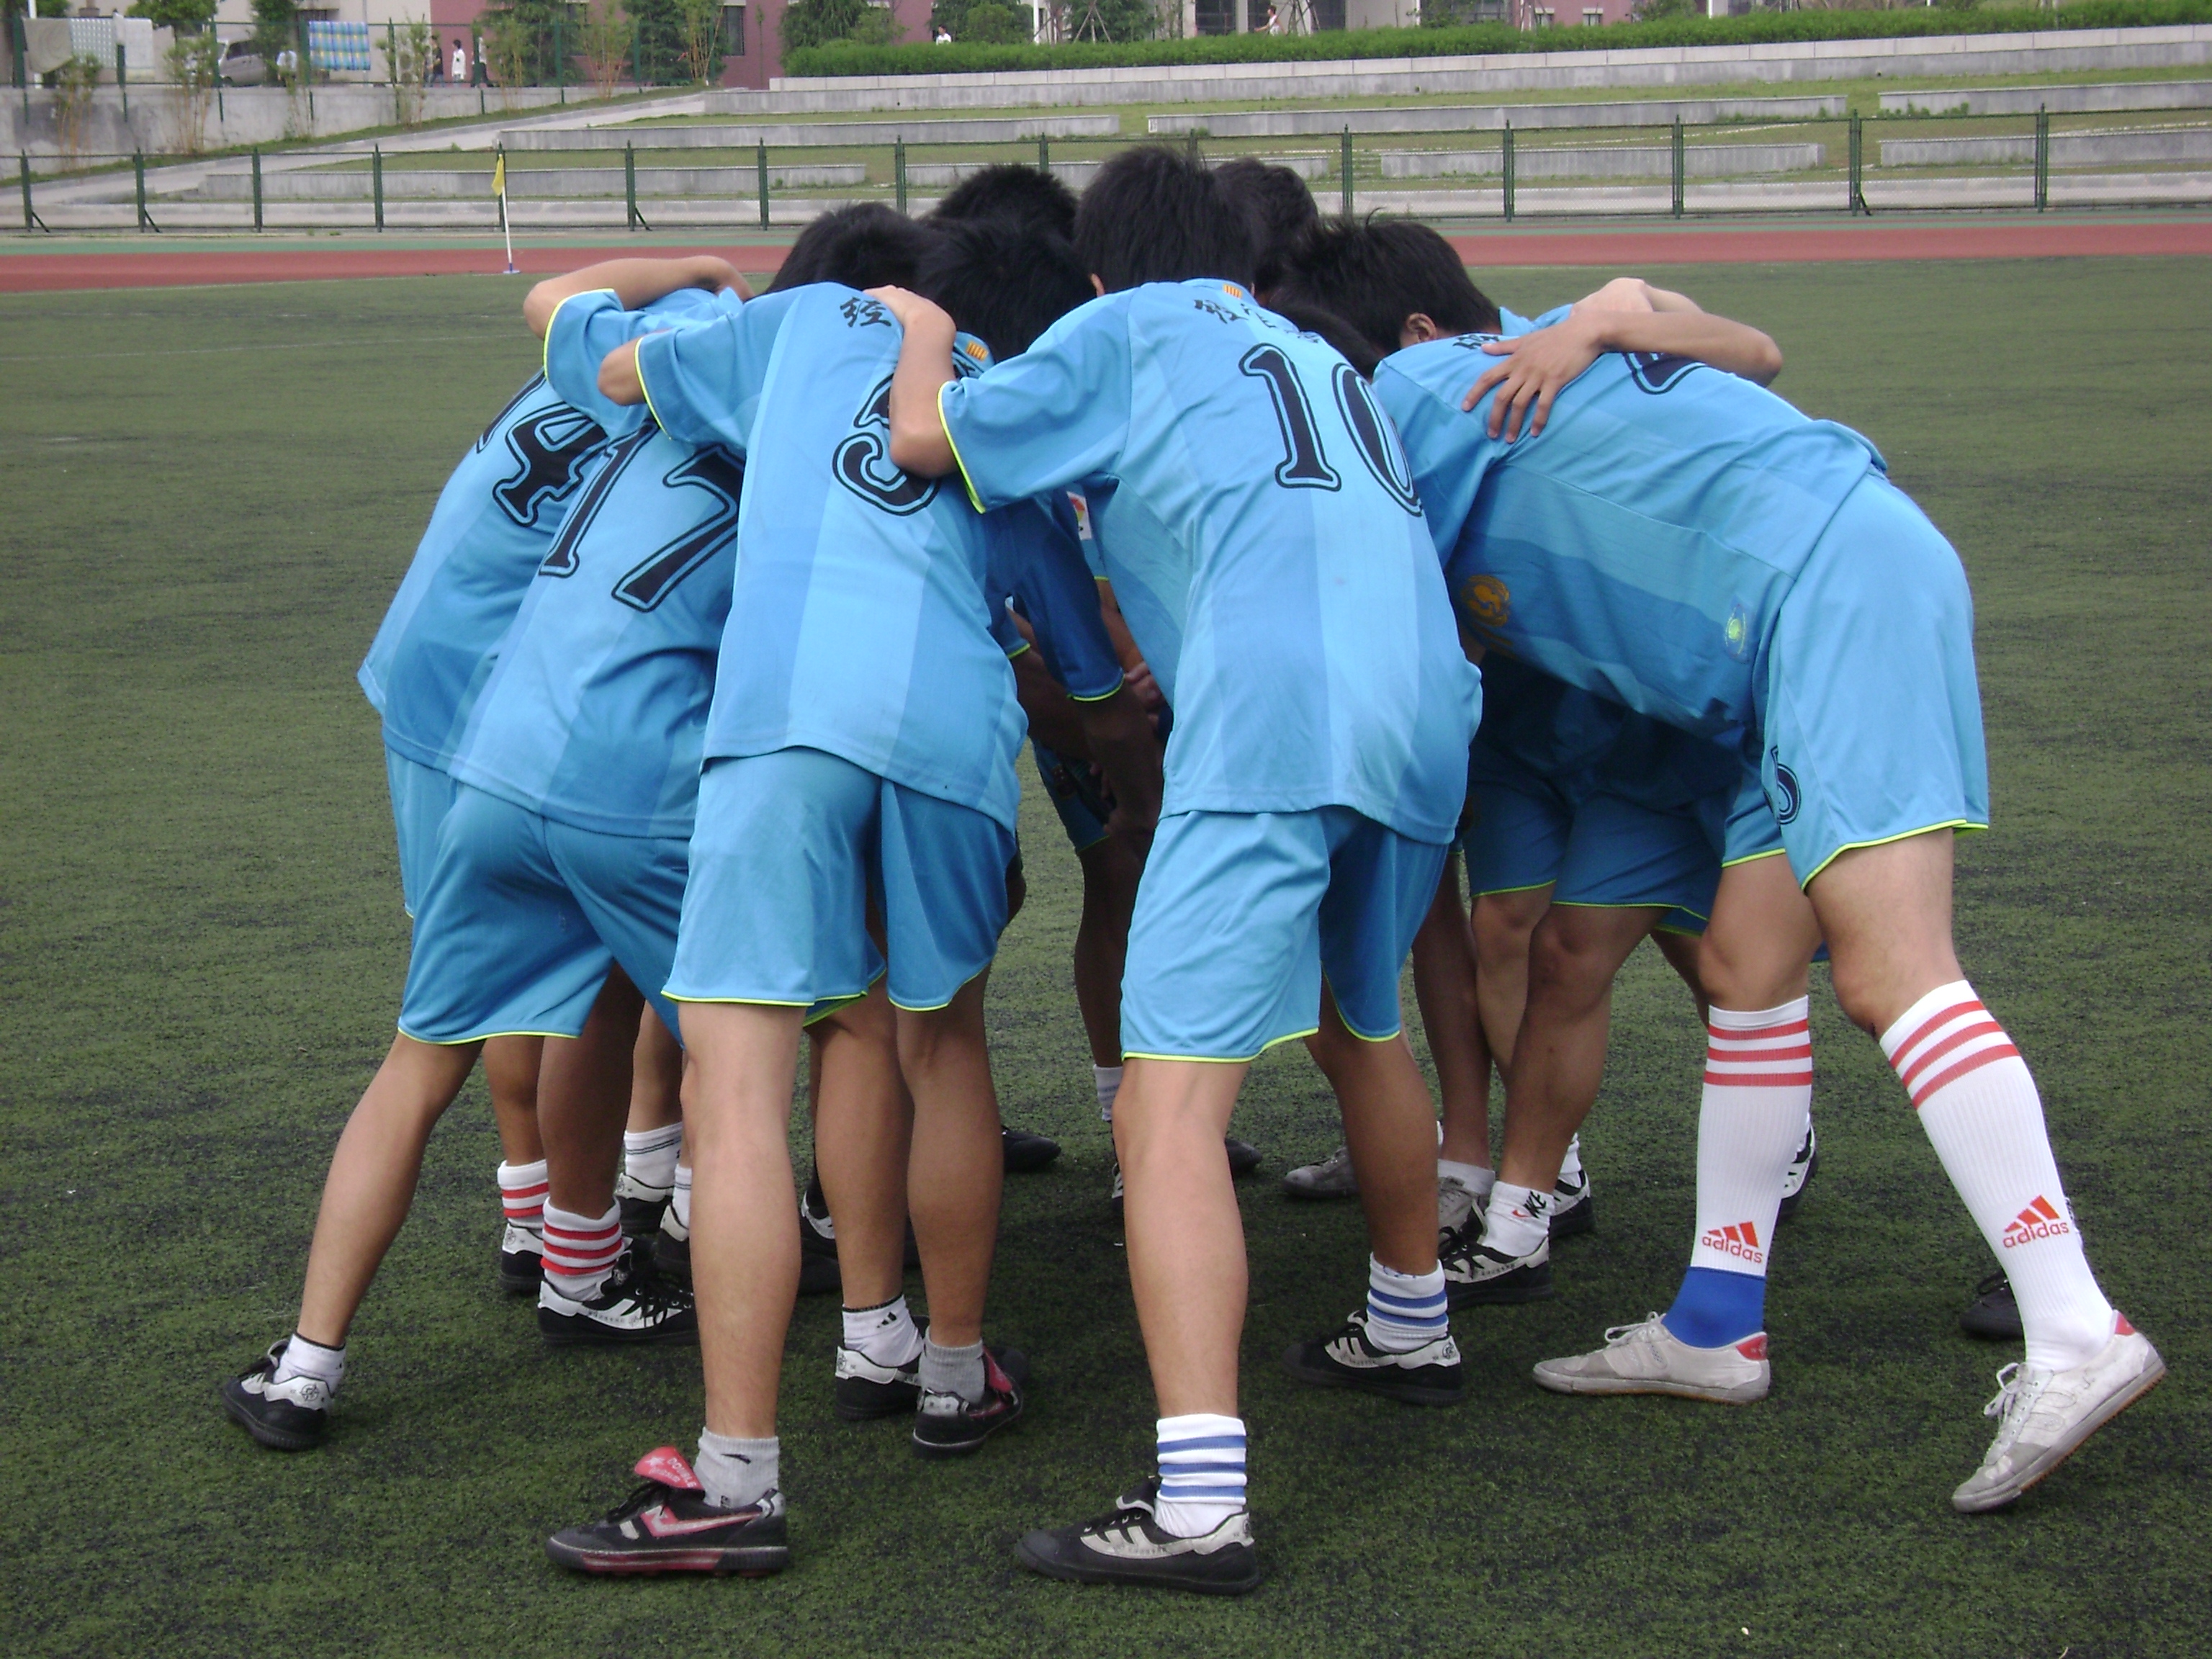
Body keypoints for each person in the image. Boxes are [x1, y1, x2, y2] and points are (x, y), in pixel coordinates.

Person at [1363, 246, 2163, 1514]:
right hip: (1782, 636)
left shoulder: (1435, 383)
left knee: (1895, 974)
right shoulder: (1520, 361)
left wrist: (1603, 316)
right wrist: (1608, 317)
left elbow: (1703, 336)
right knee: (1745, 968)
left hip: (1830, 595)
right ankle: (1717, 1320)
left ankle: (2074, 1326)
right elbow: (1724, 345)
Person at [881, 146, 1483, 1593]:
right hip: (1422, 713)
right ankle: (1411, 1322)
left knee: (1165, 1107)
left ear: (1102, 271)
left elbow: (924, 440)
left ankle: (1203, 1503)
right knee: (1362, 1023)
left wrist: (914, 325)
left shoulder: (1124, 326)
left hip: (1274, 718)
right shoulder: (1309, 348)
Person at [544, 218, 1099, 1575]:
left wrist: (685, 296)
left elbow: (597, 363)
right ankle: (947, 1368)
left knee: (737, 1079)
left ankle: (736, 1477)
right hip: (954, 733)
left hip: (785, 716)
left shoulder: (794, 323)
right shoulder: (997, 393)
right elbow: (1085, 666)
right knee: (934, 1043)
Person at [220, 258, 749, 1453]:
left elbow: (554, 294)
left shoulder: (615, 348)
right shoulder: (747, 397)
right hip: (548, 723)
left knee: (445, 1036)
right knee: (735, 1042)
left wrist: (693, 270)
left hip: (487, 719)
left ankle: (308, 1363)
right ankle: (838, 1324)